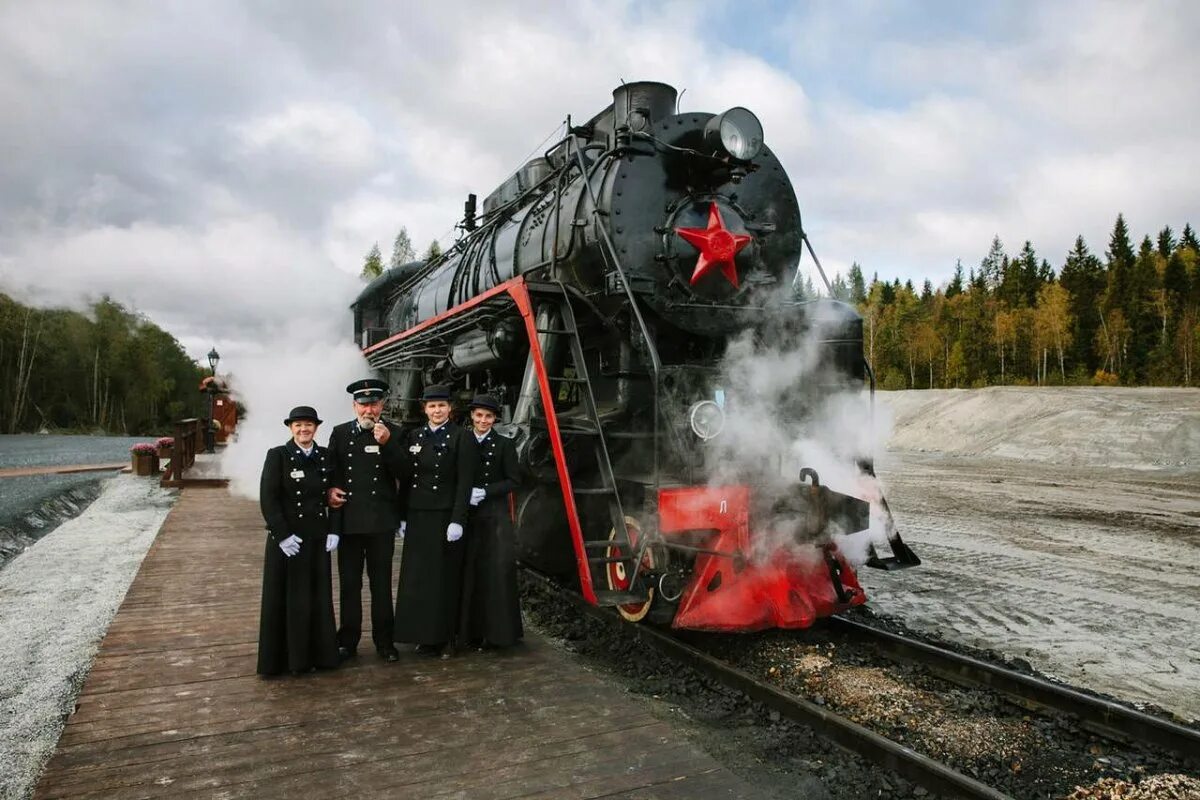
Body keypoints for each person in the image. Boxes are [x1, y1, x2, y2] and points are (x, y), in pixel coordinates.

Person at [326, 378, 407, 663]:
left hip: (381, 523)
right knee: (350, 585)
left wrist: (387, 445)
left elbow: (405, 473)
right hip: (349, 523)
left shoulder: (394, 432)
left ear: (382, 405)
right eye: (363, 404)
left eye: (374, 404)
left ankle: (385, 642)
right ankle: (348, 640)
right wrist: (329, 491)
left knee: (381, 585)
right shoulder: (339, 434)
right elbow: (332, 474)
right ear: (354, 406)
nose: (368, 410)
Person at [257, 405, 339, 676]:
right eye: (298, 425)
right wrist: (281, 534)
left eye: (309, 425)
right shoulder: (278, 456)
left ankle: (320, 656)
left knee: (316, 598)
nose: (304, 429)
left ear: (316, 427)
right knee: (287, 600)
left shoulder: (325, 456)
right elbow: (269, 498)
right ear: (290, 428)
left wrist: (333, 530)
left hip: (316, 538)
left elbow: (336, 496)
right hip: (288, 541)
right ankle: (287, 661)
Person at [393, 384, 474, 658]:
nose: (437, 410)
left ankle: (446, 637)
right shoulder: (414, 436)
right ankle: (421, 635)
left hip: (444, 517)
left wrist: (458, 519)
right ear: (424, 409)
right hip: (417, 515)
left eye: (441, 405)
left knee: (444, 579)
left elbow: (465, 482)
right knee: (417, 579)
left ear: (450, 408)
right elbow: (406, 479)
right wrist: (402, 515)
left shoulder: (462, 437)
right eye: (431, 406)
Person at [459, 393, 524, 651]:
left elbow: (514, 480)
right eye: (479, 415)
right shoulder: (462, 441)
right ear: (472, 416)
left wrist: (486, 491)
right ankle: (469, 631)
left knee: (495, 575)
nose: (483, 420)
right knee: (469, 573)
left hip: (494, 516)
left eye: (488, 416)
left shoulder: (504, 446)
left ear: (495, 418)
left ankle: (497, 633)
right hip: (469, 515)